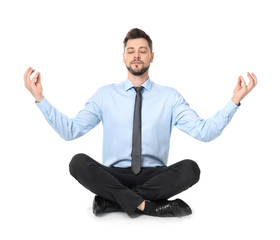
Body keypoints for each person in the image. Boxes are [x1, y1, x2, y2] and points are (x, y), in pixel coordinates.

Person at [24, 28, 257, 218]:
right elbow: (70, 131)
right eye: (131, 51)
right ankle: (151, 207)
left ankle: (114, 202)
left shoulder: (170, 97)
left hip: (154, 177)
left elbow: (204, 132)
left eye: (142, 51)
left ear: (151, 56)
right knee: (78, 163)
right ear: (124, 56)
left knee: (191, 169)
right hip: (113, 175)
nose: (137, 55)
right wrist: (40, 99)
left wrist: (234, 101)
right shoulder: (105, 95)